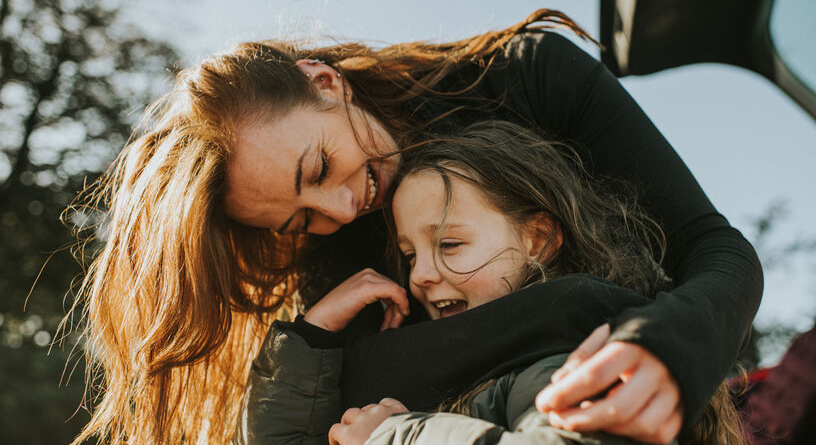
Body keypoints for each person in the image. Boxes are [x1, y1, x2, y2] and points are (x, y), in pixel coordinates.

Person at [67, 9, 762, 445]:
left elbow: (716, 251)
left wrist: (665, 344)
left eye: (320, 166)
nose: (341, 212)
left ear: (325, 81)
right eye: (301, 219)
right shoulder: (334, 244)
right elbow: (347, 404)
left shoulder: (530, 77)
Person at [239, 121, 744, 445]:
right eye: (410, 255)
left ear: (539, 241)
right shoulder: (467, 373)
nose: (421, 275)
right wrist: (313, 335)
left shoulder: (573, 354)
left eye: (450, 245)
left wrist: (390, 438)